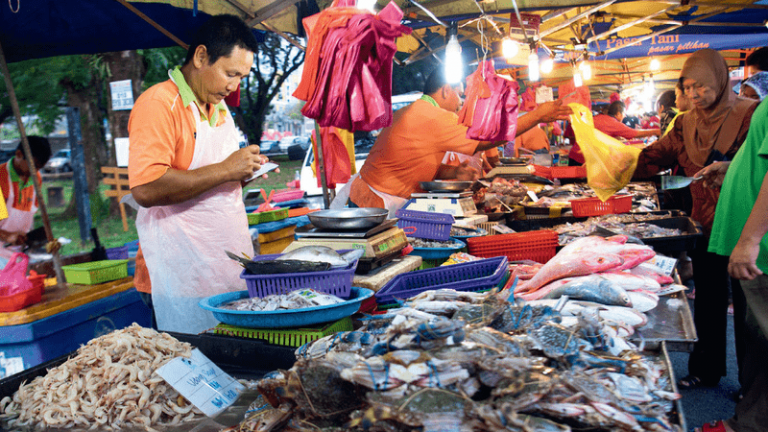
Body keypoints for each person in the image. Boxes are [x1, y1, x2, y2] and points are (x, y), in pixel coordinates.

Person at [127, 15, 268, 334]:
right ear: (201, 56)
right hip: (177, 275)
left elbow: (216, 175)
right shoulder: (159, 104)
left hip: (222, 268)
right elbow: (146, 188)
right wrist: (225, 170)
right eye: (230, 73)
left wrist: (242, 172)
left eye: (242, 76)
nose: (235, 86)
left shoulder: (218, 106)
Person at [632, 49, 757, 391]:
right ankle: (705, 369)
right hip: (703, 225)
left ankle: (752, 385)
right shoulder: (685, 123)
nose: (694, 94)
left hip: (745, 225)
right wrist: (615, 161)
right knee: (709, 298)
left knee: (750, 311)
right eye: (688, 88)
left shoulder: (752, 114)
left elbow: (758, 167)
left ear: (720, 78)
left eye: (701, 85)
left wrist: (730, 170)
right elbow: (655, 155)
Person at [340, 68, 571, 215]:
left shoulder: (414, 111)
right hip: (374, 203)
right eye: (459, 95)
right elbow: (485, 138)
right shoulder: (432, 116)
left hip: (370, 197)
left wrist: (453, 174)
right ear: (445, 91)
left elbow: (412, 163)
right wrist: (537, 115)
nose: (461, 103)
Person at [695, 93, 768, 432]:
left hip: (763, 247)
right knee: (756, 343)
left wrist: (751, 239)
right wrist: (731, 167)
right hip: (757, 246)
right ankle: (745, 421)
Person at [0, 137, 51, 268]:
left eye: (39, 168)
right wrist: (8, 237)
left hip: (22, 254)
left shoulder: (36, 179)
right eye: (33, 166)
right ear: (19, 154)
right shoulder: (1, 179)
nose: (35, 172)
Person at [567, 100, 660, 165]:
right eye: (624, 114)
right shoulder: (613, 123)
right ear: (619, 113)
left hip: (574, 156)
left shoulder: (599, 118)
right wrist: (656, 131)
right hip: (584, 161)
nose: (624, 116)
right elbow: (634, 133)